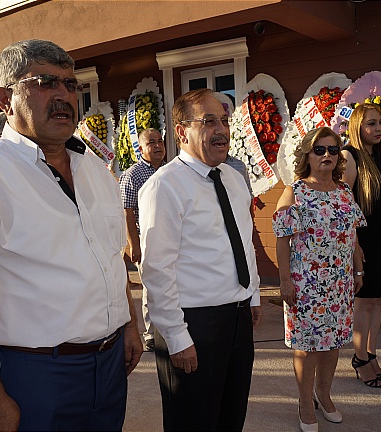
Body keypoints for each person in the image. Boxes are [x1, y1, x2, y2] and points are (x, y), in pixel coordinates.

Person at [0, 39, 143, 431]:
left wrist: (128, 324)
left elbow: (110, 259)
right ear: (4, 100)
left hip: (111, 366)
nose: (63, 95)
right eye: (45, 83)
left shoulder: (95, 170)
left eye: (70, 84)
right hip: (34, 374)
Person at [138, 88, 262, 431]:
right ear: (182, 132)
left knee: (230, 418)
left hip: (237, 319)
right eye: (208, 121)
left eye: (224, 120)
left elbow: (244, 241)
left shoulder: (233, 178)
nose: (221, 130)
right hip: (193, 324)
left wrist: (251, 295)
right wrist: (177, 337)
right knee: (192, 422)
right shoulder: (164, 186)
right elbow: (156, 270)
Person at [273, 127, 365, 432]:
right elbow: (282, 241)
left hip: (339, 283)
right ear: (307, 155)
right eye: (320, 150)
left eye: (333, 150)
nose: (327, 155)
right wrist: (285, 281)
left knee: (332, 343)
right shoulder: (295, 192)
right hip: (306, 285)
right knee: (307, 346)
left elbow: (352, 235)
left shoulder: (344, 191)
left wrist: (358, 270)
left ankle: (323, 395)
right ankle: (304, 402)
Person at [341, 104, 381, 386]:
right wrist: (354, 246)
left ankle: (371, 354)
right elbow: (345, 205)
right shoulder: (349, 156)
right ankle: (360, 358)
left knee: (378, 301)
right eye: (371, 124)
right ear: (357, 127)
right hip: (364, 241)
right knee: (363, 303)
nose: (378, 129)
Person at [120, 127, 166, 352]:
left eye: (160, 141)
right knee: (151, 285)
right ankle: (151, 333)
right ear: (141, 148)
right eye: (151, 142)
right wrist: (134, 245)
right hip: (145, 238)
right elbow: (127, 212)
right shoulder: (133, 175)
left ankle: (169, 328)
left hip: (169, 236)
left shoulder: (169, 171)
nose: (157, 146)